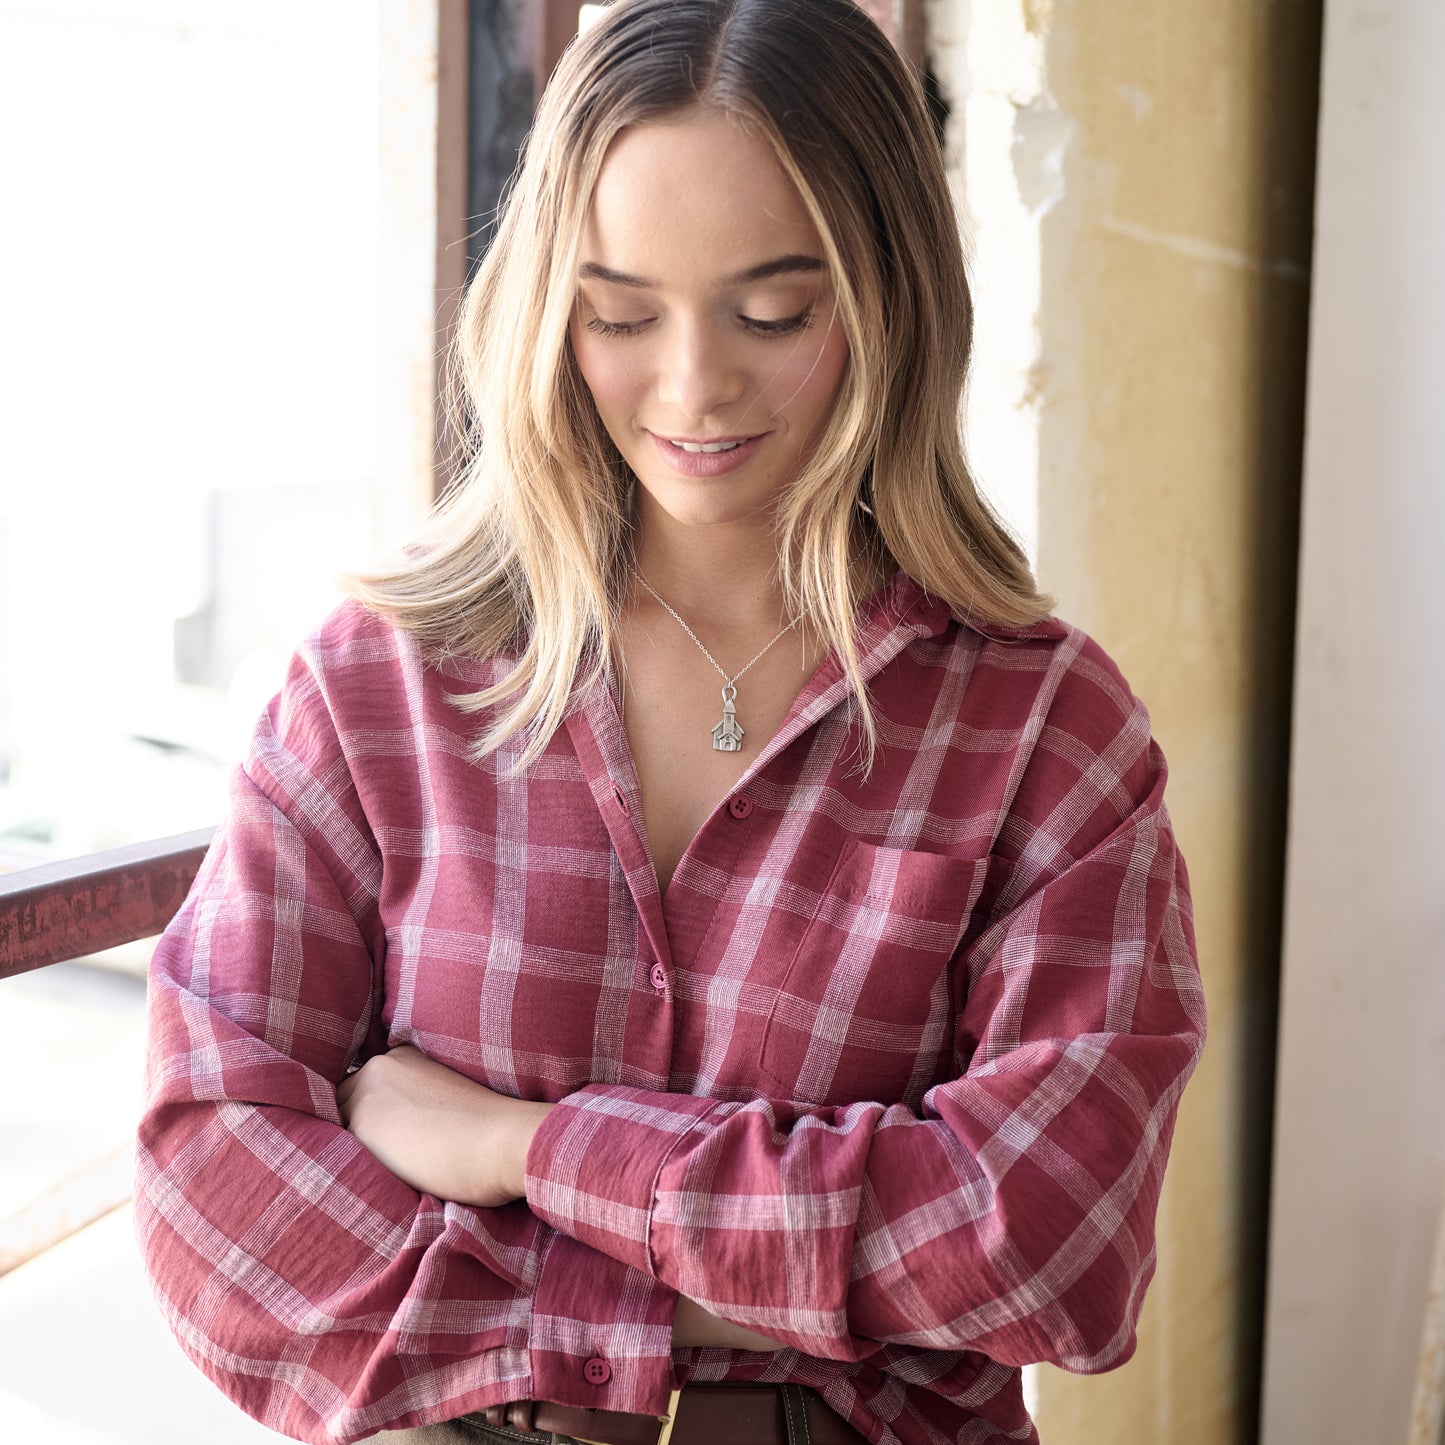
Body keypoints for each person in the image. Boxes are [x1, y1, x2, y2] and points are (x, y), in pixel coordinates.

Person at [135, 2, 1206, 1442]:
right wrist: (756, 1288)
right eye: (620, 313)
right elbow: (221, 1203)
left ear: (889, 295)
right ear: (542, 306)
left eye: (776, 309)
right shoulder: (374, 690)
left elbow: (1048, 1241)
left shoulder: (1042, 731)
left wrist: (526, 1148)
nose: (692, 384)